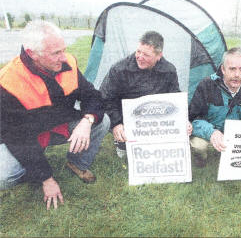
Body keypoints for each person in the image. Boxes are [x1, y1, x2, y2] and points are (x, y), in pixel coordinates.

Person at [0, 20, 110, 210]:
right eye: (55, 53)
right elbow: (16, 137)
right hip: (25, 136)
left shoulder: (68, 63)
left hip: (58, 126)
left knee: (102, 121)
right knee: (4, 177)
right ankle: (34, 167)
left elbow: (93, 96)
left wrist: (87, 120)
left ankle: (77, 163)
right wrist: (46, 178)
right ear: (31, 54)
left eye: (63, 50)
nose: (63, 57)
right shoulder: (8, 82)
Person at [100, 31, 191, 157]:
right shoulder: (119, 69)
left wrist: (183, 120)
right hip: (126, 117)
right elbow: (105, 98)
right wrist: (116, 123)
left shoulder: (169, 70)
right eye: (138, 51)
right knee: (125, 152)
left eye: (146, 55)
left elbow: (174, 97)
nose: (140, 57)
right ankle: (121, 142)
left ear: (159, 55)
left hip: (154, 117)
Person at [189, 47, 241, 167]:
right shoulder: (207, 85)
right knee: (199, 146)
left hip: (235, 136)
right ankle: (201, 163)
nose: (237, 75)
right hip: (210, 133)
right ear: (223, 69)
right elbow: (193, 119)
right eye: (232, 69)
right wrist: (212, 133)